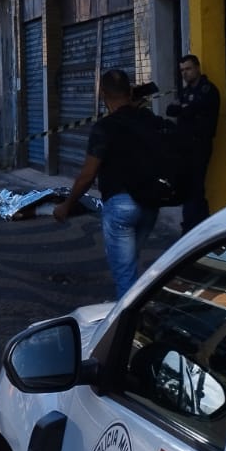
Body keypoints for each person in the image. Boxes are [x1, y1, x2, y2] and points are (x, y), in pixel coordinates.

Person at [53, 69, 169, 299]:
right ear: (130, 91)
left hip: (121, 207)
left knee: (124, 272)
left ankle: (126, 324)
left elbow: (88, 174)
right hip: (150, 204)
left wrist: (67, 205)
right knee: (130, 263)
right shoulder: (149, 120)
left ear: (102, 93)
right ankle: (134, 307)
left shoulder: (104, 127)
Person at [172, 54, 221, 230]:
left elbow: (192, 110)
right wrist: (184, 109)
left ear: (197, 68)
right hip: (185, 147)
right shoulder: (185, 92)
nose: (185, 73)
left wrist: (185, 109)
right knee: (190, 188)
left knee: (195, 188)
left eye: (188, 69)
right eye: (182, 70)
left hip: (199, 145)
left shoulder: (207, 90)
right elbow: (171, 109)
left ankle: (193, 228)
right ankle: (201, 226)